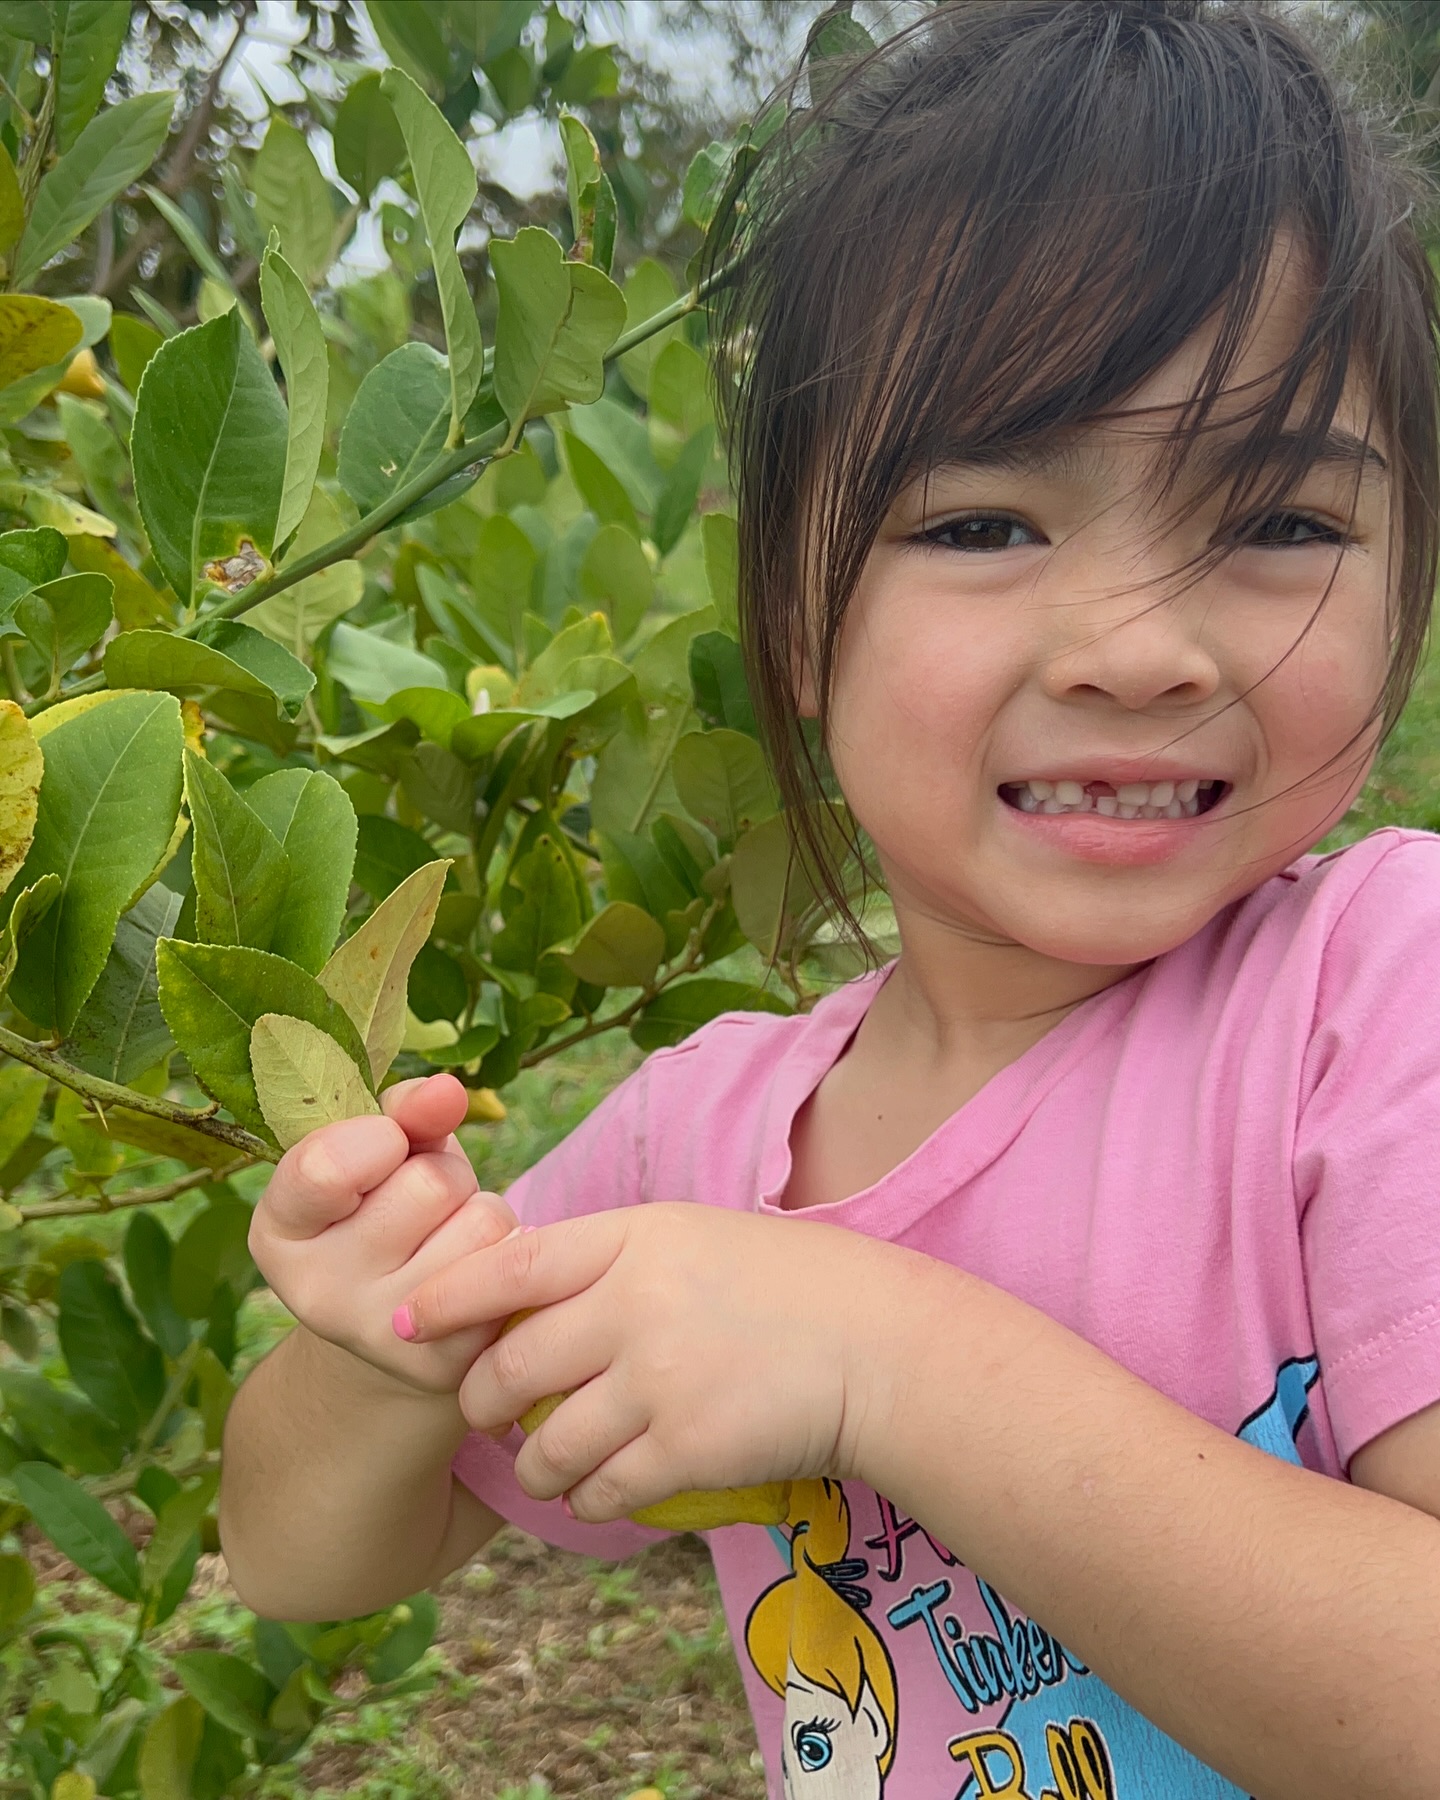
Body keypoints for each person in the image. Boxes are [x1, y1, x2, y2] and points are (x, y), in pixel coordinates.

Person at [218, 2, 1440, 1793]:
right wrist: (390, 1343)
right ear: (795, 616)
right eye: (984, 524)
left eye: (1280, 524)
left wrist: (888, 1362)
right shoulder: (701, 1141)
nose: (1141, 650)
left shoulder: (1382, 993)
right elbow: (301, 1560)